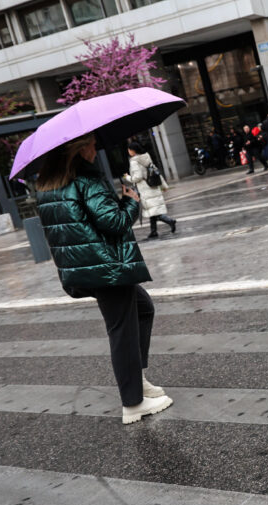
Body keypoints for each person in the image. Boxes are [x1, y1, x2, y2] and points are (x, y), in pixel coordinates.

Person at [36, 135, 172, 425]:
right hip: (107, 267)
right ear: (76, 149)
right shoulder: (88, 180)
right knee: (121, 331)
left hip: (85, 268)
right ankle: (133, 403)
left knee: (143, 309)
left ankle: (137, 378)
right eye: (90, 144)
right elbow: (115, 223)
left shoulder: (49, 185)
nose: (95, 148)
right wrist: (131, 202)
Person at [122, 141, 176, 240]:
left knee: (154, 212)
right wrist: (163, 186)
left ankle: (170, 221)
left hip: (145, 189)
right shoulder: (146, 157)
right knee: (152, 210)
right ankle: (153, 231)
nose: (128, 152)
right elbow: (155, 171)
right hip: (152, 186)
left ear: (133, 151)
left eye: (129, 150)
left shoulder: (134, 161)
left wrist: (127, 177)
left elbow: (137, 177)